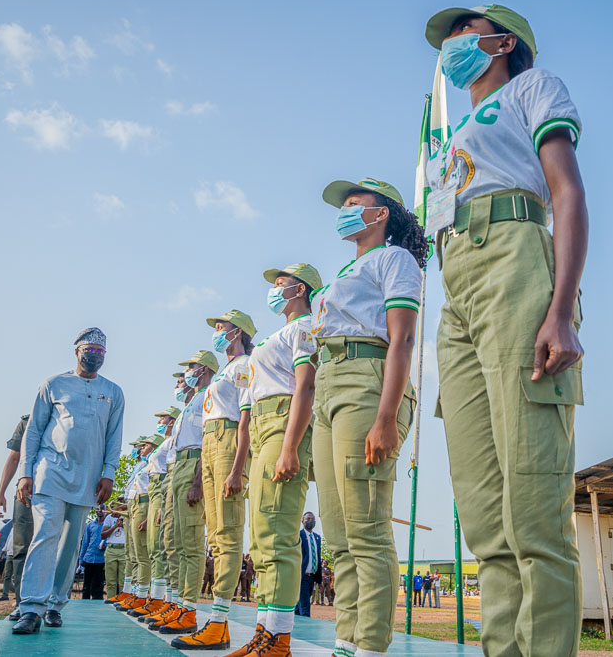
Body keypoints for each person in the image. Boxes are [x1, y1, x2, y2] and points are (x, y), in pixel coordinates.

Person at [423, 4, 588, 657]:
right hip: (457, 286)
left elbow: (567, 192)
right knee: (485, 513)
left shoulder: (532, 86)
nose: (450, 47)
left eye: (462, 34)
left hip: (515, 257)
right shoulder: (445, 135)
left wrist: (562, 308)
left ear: (503, 40)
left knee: (533, 502)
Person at [312, 177, 425, 654]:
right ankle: (346, 639)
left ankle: (371, 647)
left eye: (357, 204)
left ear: (383, 214)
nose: (347, 210)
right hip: (328, 382)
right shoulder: (342, 273)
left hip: (367, 379)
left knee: (367, 529)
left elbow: (401, 339)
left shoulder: (394, 260)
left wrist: (387, 416)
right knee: (338, 534)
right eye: (345, 205)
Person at [224, 263, 319, 657]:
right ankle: (265, 631)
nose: (275, 289)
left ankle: (278, 639)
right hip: (262, 422)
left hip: (283, 421)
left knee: (278, 530)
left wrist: (291, 446)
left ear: (301, 290)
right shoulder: (273, 337)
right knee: (261, 538)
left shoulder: (305, 327)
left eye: (281, 283)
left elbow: (306, 384)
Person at [13, 327, 124, 634]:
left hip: (88, 479)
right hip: (50, 471)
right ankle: (31, 607)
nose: (94, 356)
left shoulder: (113, 392)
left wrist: (108, 474)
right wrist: (26, 472)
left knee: (70, 544)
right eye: (89, 350)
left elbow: (114, 437)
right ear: (77, 351)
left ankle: (55, 604)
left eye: (100, 352)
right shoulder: (54, 384)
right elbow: (33, 430)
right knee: (46, 534)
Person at [171, 310, 256, 650]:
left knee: (228, 533)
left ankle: (220, 620)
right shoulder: (225, 371)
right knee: (215, 535)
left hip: (228, 439)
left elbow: (247, 418)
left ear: (238, 332)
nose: (217, 331)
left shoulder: (245, 364)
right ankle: (214, 621)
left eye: (222, 326)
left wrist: (237, 468)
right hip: (209, 443)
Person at [144, 375, 195, 629]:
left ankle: (183, 608)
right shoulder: (184, 416)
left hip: (182, 474)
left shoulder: (196, 405)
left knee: (182, 546)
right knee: (168, 546)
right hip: (169, 483)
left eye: (163, 418)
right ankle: (171, 603)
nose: (179, 382)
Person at [131, 407, 179, 622]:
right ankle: (155, 598)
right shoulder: (165, 444)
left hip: (162, 490)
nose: (160, 420)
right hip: (154, 491)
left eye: (164, 417)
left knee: (160, 549)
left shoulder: (169, 442)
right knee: (152, 549)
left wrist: (160, 507)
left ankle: (161, 599)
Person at [0, 414, 34, 620]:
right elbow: (14, 457)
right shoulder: (28, 422)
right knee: (21, 550)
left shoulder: (69, 417)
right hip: (27, 492)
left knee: (54, 548)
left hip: (58, 491)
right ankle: (22, 604)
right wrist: (1, 493)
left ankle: (51, 604)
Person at [117, 435, 160, 612]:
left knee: (143, 554)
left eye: (145, 445)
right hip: (135, 504)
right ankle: (134, 592)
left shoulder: (152, 464)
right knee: (133, 553)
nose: (140, 449)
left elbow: (155, 492)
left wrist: (148, 516)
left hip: (144, 504)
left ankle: (142, 595)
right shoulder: (143, 464)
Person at [295, 511, 321, 617]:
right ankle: (305, 628)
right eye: (308, 519)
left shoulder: (317, 537)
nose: (311, 521)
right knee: (305, 606)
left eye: (313, 519)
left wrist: (318, 578)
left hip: (312, 577)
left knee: (299, 606)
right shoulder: (298, 535)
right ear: (302, 521)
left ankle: (296, 624)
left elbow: (317, 556)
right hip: (302, 576)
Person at [78, 506, 107, 600]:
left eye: (102, 509)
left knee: (98, 586)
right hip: (89, 557)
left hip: (101, 559)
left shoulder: (108, 525)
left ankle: (97, 607)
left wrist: (105, 545)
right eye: (98, 509)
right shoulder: (90, 525)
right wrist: (81, 559)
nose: (100, 511)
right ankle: (83, 606)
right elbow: (85, 542)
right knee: (86, 586)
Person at [102, 498, 128, 600]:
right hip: (111, 549)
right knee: (110, 581)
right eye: (119, 500)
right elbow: (103, 535)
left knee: (123, 581)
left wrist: (123, 525)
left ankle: (123, 602)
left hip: (124, 549)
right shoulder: (109, 517)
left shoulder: (129, 515)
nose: (121, 503)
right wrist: (115, 526)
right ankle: (110, 601)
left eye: (123, 501)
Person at [0, 528, 15, 601]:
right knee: (7, 576)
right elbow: (8, 542)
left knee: (18, 576)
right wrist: (1, 554)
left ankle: (18, 595)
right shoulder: (12, 529)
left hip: (18, 555)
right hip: (9, 554)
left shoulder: (24, 527)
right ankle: (5, 595)